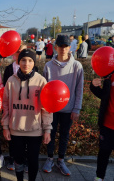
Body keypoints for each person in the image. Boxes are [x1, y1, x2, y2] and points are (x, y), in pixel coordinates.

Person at [2, 49, 52, 181]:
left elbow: (47, 108)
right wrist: (5, 126)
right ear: (19, 62)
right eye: (23, 60)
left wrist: (47, 129)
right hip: (15, 129)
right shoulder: (11, 81)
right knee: (18, 160)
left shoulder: (41, 81)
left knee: (33, 160)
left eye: (30, 60)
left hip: (34, 130)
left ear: (34, 63)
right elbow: (5, 104)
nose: (26, 63)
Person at [42, 35, 84, 176]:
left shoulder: (77, 66)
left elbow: (79, 88)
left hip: (69, 108)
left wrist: (76, 108)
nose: (63, 49)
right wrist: (45, 108)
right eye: (60, 46)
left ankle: (61, 159)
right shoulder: (48, 66)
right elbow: (44, 88)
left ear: (70, 47)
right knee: (51, 133)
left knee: (64, 135)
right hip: (51, 109)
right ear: (55, 47)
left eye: (66, 46)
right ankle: (49, 158)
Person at [3, 43, 29, 172]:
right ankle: (12, 158)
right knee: (13, 134)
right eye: (18, 51)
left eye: (22, 51)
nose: (20, 53)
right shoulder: (9, 69)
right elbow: (4, 88)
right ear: (14, 53)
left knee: (26, 135)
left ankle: (25, 159)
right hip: (13, 107)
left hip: (27, 108)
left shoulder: (31, 67)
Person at [90, 74, 114, 181]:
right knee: (104, 152)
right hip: (107, 123)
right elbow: (104, 95)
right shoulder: (110, 76)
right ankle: (100, 177)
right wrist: (93, 86)